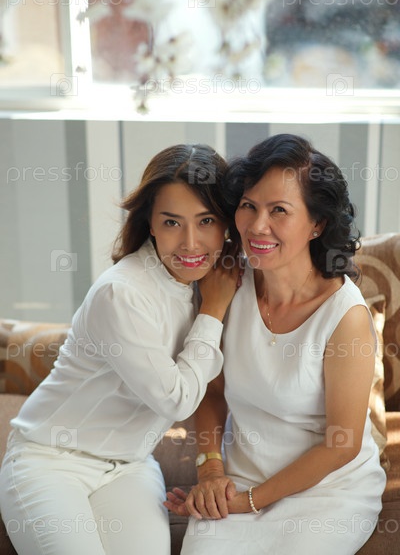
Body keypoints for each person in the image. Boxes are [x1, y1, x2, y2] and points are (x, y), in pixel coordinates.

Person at [0, 144, 242, 555]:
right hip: (50, 459)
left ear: (226, 225)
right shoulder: (122, 293)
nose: (190, 243)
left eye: (206, 221)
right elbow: (177, 399)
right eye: (171, 222)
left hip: (130, 466)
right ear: (150, 223)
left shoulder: (213, 280)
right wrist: (214, 310)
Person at [165, 134, 387, 555]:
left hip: (327, 491)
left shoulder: (345, 317)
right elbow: (211, 390)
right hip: (239, 479)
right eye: (249, 205)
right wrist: (210, 470)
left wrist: (249, 502)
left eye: (279, 210)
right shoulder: (228, 283)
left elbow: (342, 445)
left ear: (317, 224)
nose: (256, 226)